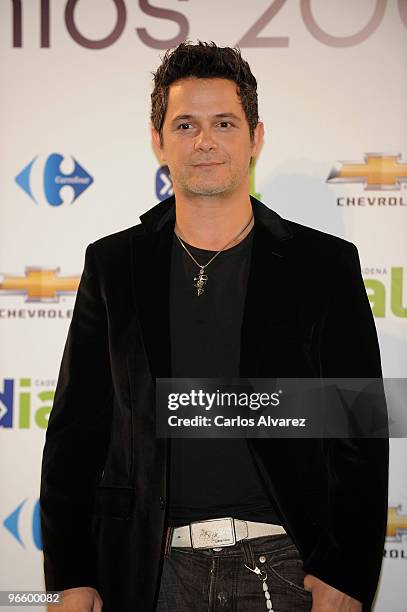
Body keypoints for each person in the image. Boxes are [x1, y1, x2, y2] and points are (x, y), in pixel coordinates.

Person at [40, 41, 389, 612]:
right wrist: (70, 575)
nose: (204, 140)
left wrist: (346, 572)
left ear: (255, 137)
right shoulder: (113, 266)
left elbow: (361, 434)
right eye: (185, 124)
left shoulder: (323, 265)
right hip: (148, 573)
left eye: (224, 122)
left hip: (288, 567)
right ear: (159, 141)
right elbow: (75, 436)